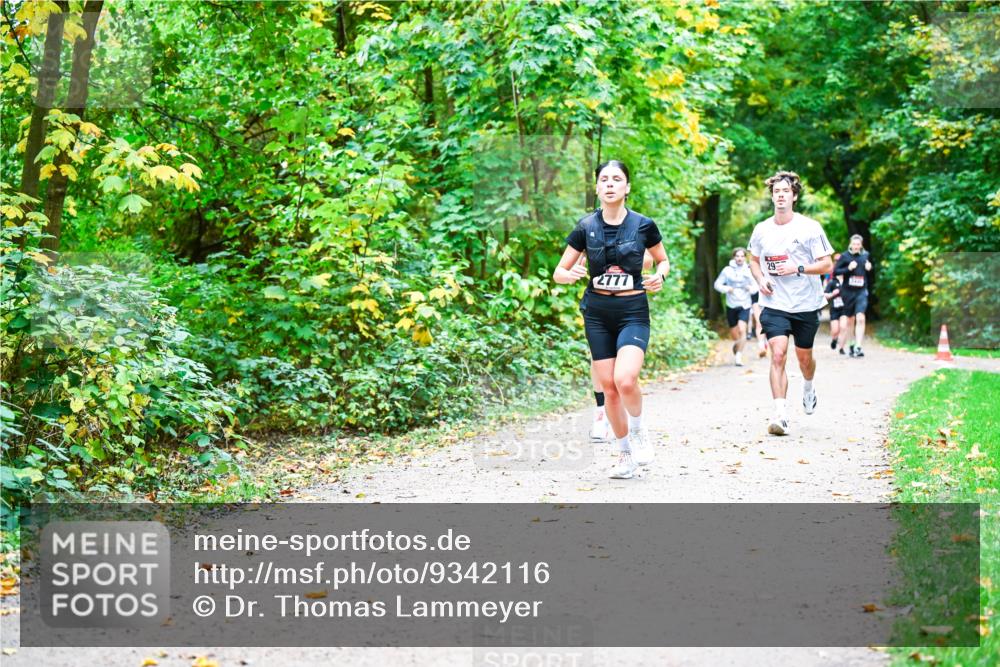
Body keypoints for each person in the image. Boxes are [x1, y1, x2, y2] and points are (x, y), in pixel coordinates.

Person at [554, 160, 670, 478]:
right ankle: (624, 455)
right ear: (596, 188)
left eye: (616, 179)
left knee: (626, 379)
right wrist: (569, 274)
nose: (609, 184)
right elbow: (559, 271)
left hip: (632, 311)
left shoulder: (643, 225)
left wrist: (660, 276)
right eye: (604, 179)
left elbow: (663, 260)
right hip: (597, 313)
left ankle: (639, 430)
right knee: (609, 388)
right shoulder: (585, 226)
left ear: (627, 187)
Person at [747, 170, 834, 436]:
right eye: (777, 192)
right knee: (778, 354)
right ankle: (781, 415)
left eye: (786, 191)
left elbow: (826, 264)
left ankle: (808, 385)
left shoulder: (810, 227)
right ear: (772, 197)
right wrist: (761, 279)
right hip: (774, 303)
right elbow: (754, 260)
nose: (781, 196)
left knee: (804, 358)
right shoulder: (762, 229)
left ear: (794, 196)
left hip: (806, 304)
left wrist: (798, 268)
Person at [587, 251, 656, 447]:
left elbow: (649, 262)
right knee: (598, 358)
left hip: (630, 306)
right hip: (598, 304)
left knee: (624, 370)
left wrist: (622, 257)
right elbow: (581, 259)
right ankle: (601, 411)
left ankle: (633, 424)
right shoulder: (591, 232)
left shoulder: (635, 233)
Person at [714, 247, 758, 366]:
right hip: (731, 305)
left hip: (744, 304)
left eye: (742, 256)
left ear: (745, 258)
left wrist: (750, 289)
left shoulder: (749, 270)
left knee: (742, 329)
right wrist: (727, 288)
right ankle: (737, 345)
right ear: (734, 257)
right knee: (735, 334)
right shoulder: (727, 270)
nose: (739, 258)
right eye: (737, 256)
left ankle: (738, 356)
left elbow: (756, 287)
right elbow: (717, 284)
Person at [834, 234, 873, 358]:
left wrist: (869, 268)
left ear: (861, 245)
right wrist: (848, 268)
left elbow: (869, 272)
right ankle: (851, 344)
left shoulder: (865, 255)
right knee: (850, 320)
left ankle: (858, 346)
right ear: (850, 244)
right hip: (848, 292)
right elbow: (835, 272)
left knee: (860, 317)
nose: (856, 246)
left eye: (858, 244)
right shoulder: (845, 256)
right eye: (854, 244)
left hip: (861, 291)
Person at [824, 252, 843, 349]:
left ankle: (842, 344)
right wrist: (830, 291)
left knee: (843, 325)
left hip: (845, 305)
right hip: (834, 301)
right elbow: (826, 282)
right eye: (836, 260)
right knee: (835, 328)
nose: (837, 262)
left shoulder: (846, 270)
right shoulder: (831, 271)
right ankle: (834, 338)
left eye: (839, 260)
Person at [823, 272, 845, 350]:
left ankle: (841, 348)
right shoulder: (832, 282)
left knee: (843, 327)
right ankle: (834, 339)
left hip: (845, 309)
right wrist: (832, 294)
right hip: (834, 309)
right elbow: (825, 295)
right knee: (835, 330)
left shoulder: (848, 281)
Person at [749, 290, 767, 357]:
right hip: (756, 296)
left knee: (767, 323)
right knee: (759, 323)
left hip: (768, 296)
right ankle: (761, 347)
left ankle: (766, 344)